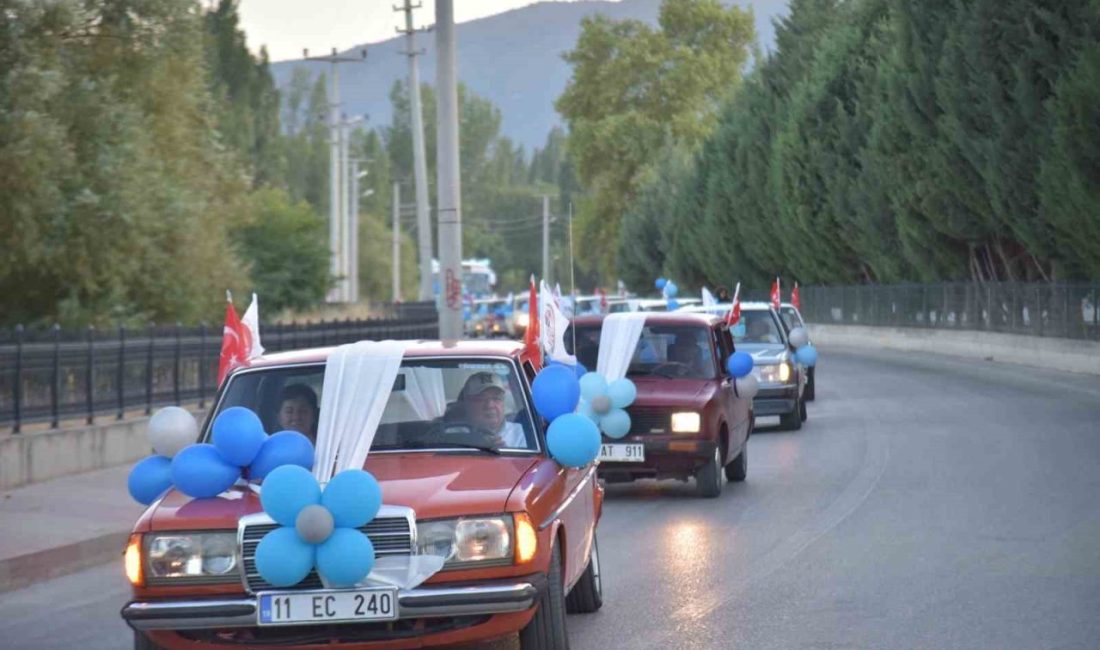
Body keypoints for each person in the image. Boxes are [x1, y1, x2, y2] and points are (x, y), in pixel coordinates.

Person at [455, 372, 526, 448]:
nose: (490, 405)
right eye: (481, 399)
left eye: (496, 398)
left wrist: (504, 453)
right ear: (467, 404)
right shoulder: (453, 435)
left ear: (503, 403)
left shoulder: (522, 434)